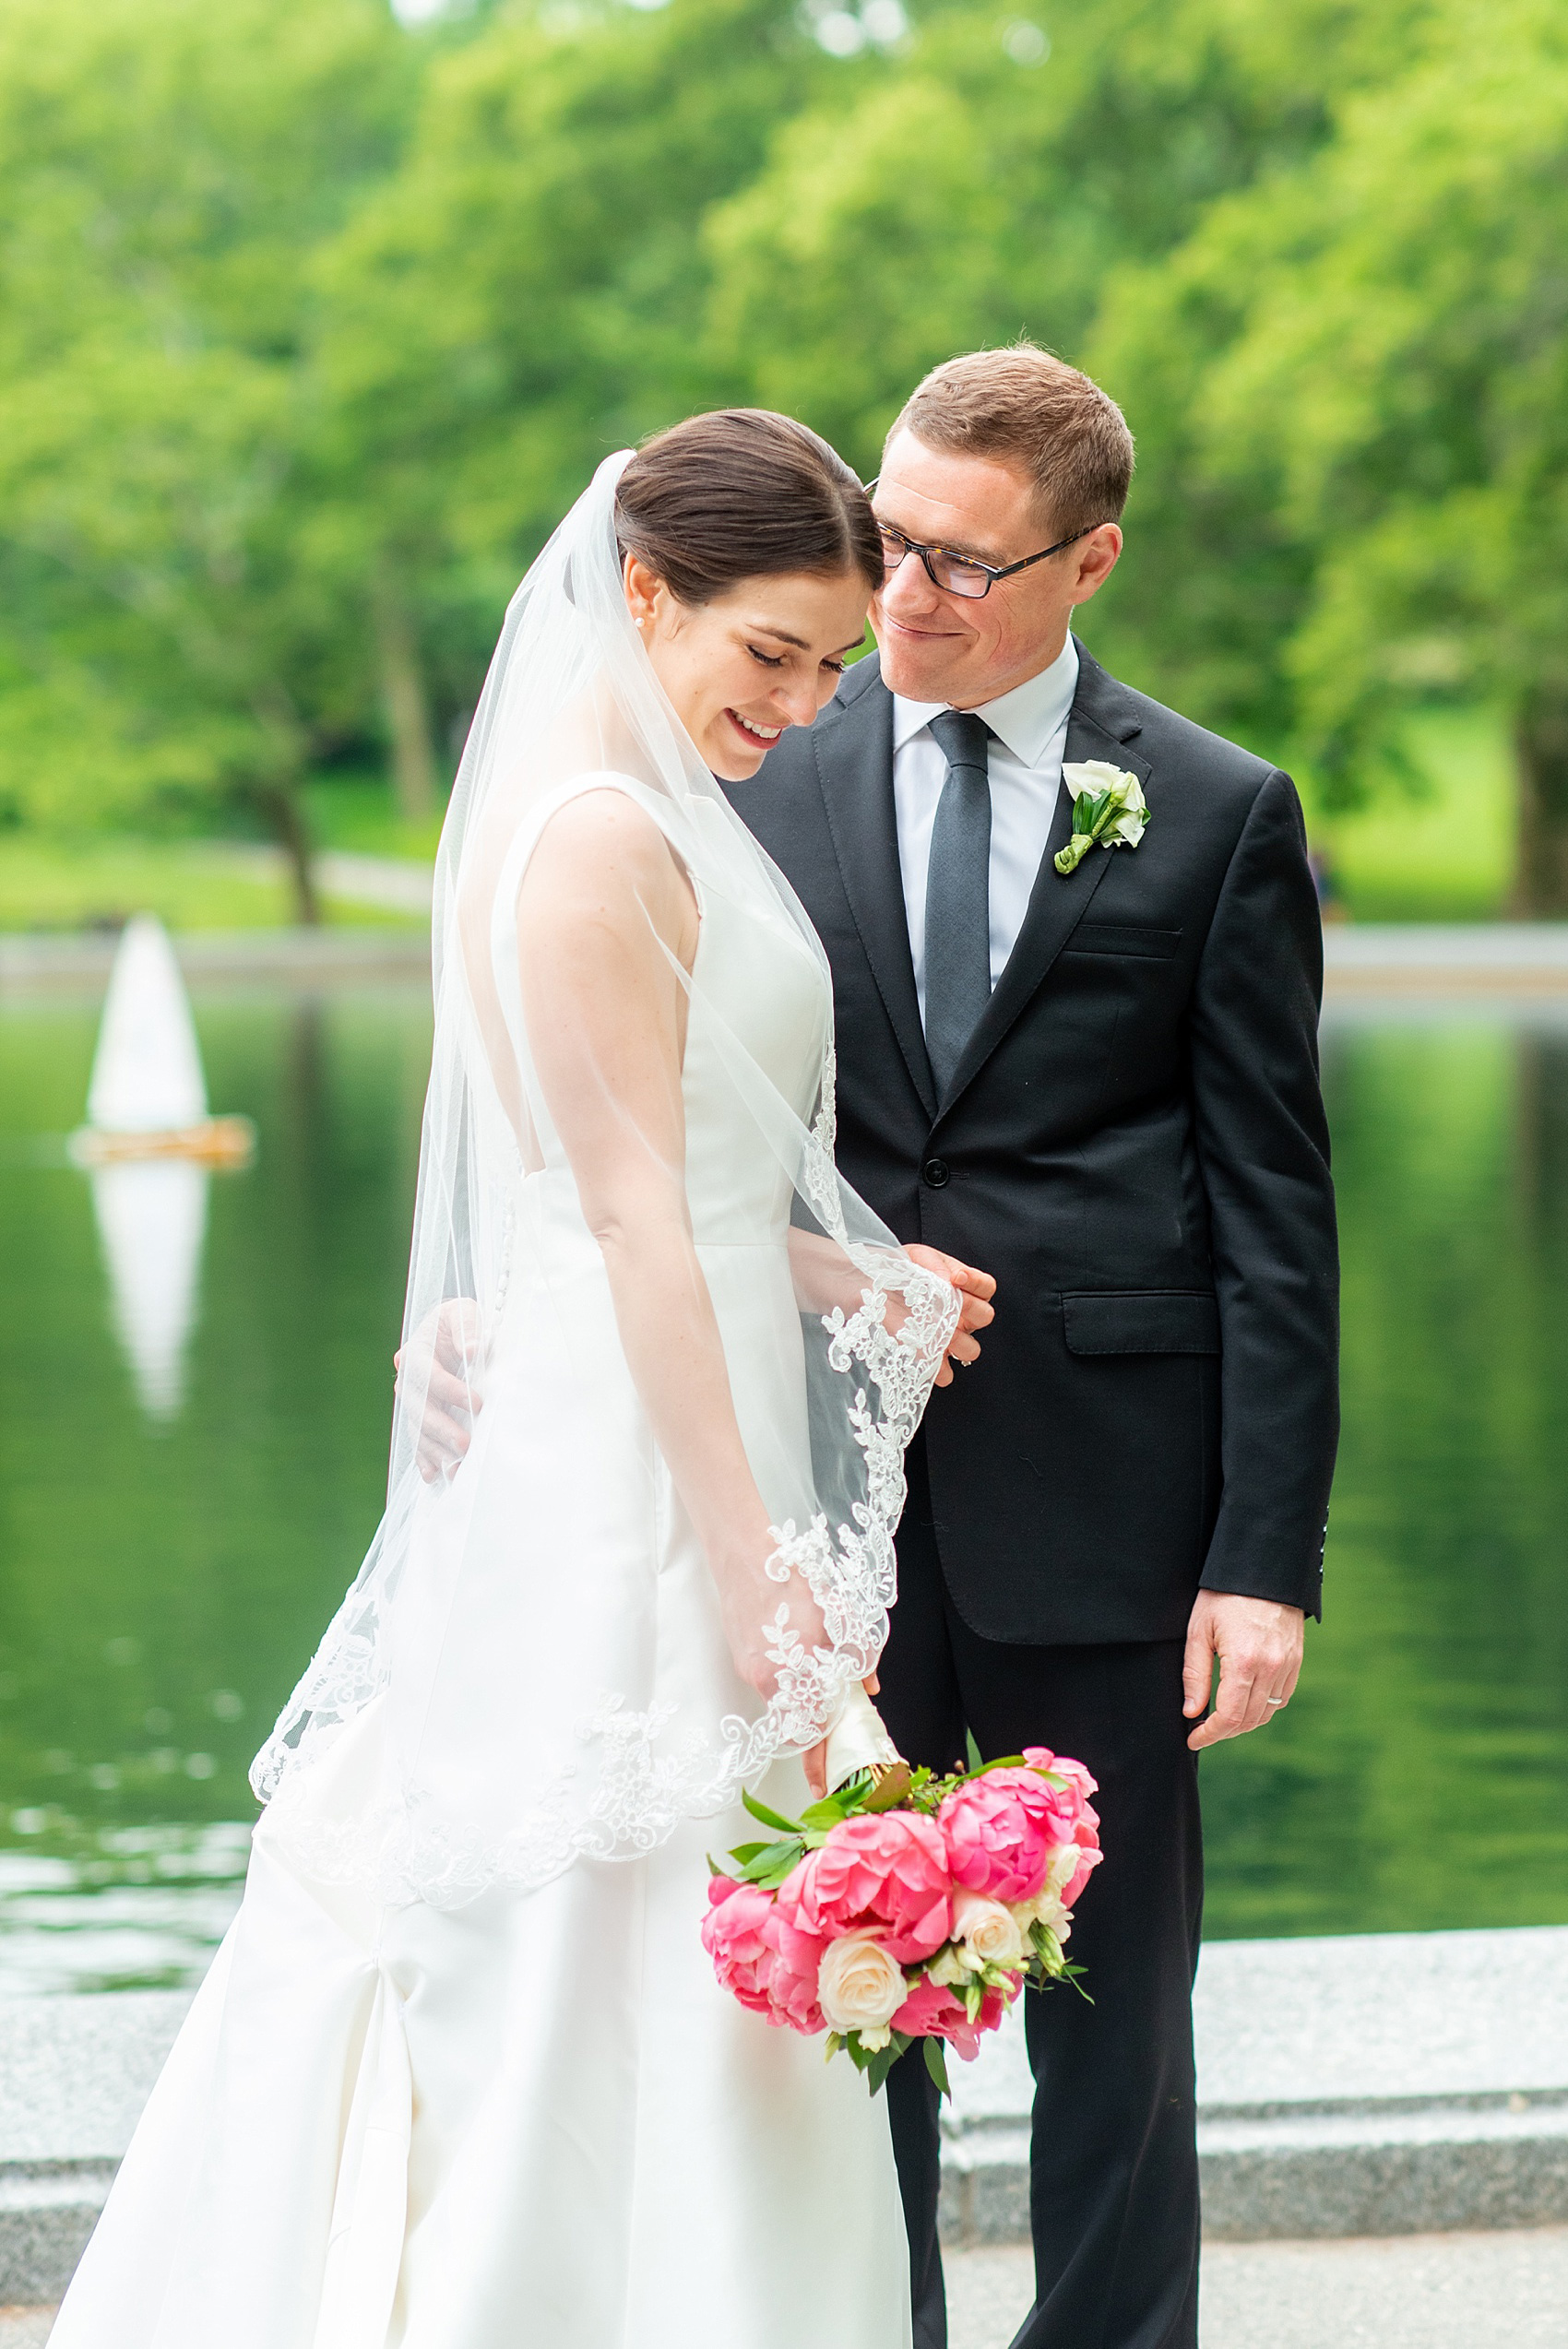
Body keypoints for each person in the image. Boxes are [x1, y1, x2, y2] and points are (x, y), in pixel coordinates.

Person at [49, 412, 992, 2349]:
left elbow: (679, 1184)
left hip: (682, 1374)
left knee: (697, 1914)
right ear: (644, 593)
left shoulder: (652, 809)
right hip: (632, 1462)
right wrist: (747, 1556)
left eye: (828, 664)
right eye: (768, 655)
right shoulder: (588, 841)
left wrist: (860, 1275)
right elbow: (629, 1222)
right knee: (589, 1917)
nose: (804, 704)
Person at [725, 344, 1339, 2349]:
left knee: (1116, 2022)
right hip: (825, 1497)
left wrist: (1261, 1552)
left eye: (964, 563)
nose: (905, 594)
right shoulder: (766, 773)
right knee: (845, 1986)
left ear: (1090, 562)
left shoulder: (1218, 812)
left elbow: (1271, 1205)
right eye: (889, 538)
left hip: (1116, 1502)